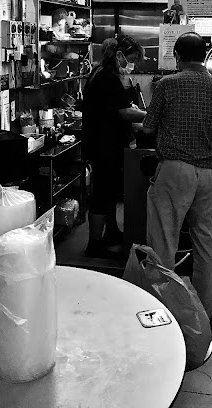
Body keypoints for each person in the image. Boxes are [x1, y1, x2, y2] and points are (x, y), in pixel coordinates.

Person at [142, 32, 212, 318]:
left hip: (176, 170)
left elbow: (148, 127)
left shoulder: (167, 85)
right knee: (207, 244)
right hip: (211, 173)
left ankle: (162, 308)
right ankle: (204, 312)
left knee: (164, 241)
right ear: (204, 56)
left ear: (177, 56)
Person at [82, 35, 147, 258]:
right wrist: (150, 116)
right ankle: (94, 243)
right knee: (102, 192)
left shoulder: (106, 73)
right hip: (103, 144)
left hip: (106, 141)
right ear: (119, 55)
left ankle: (110, 232)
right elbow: (124, 111)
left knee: (109, 190)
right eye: (131, 59)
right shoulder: (106, 78)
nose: (133, 65)